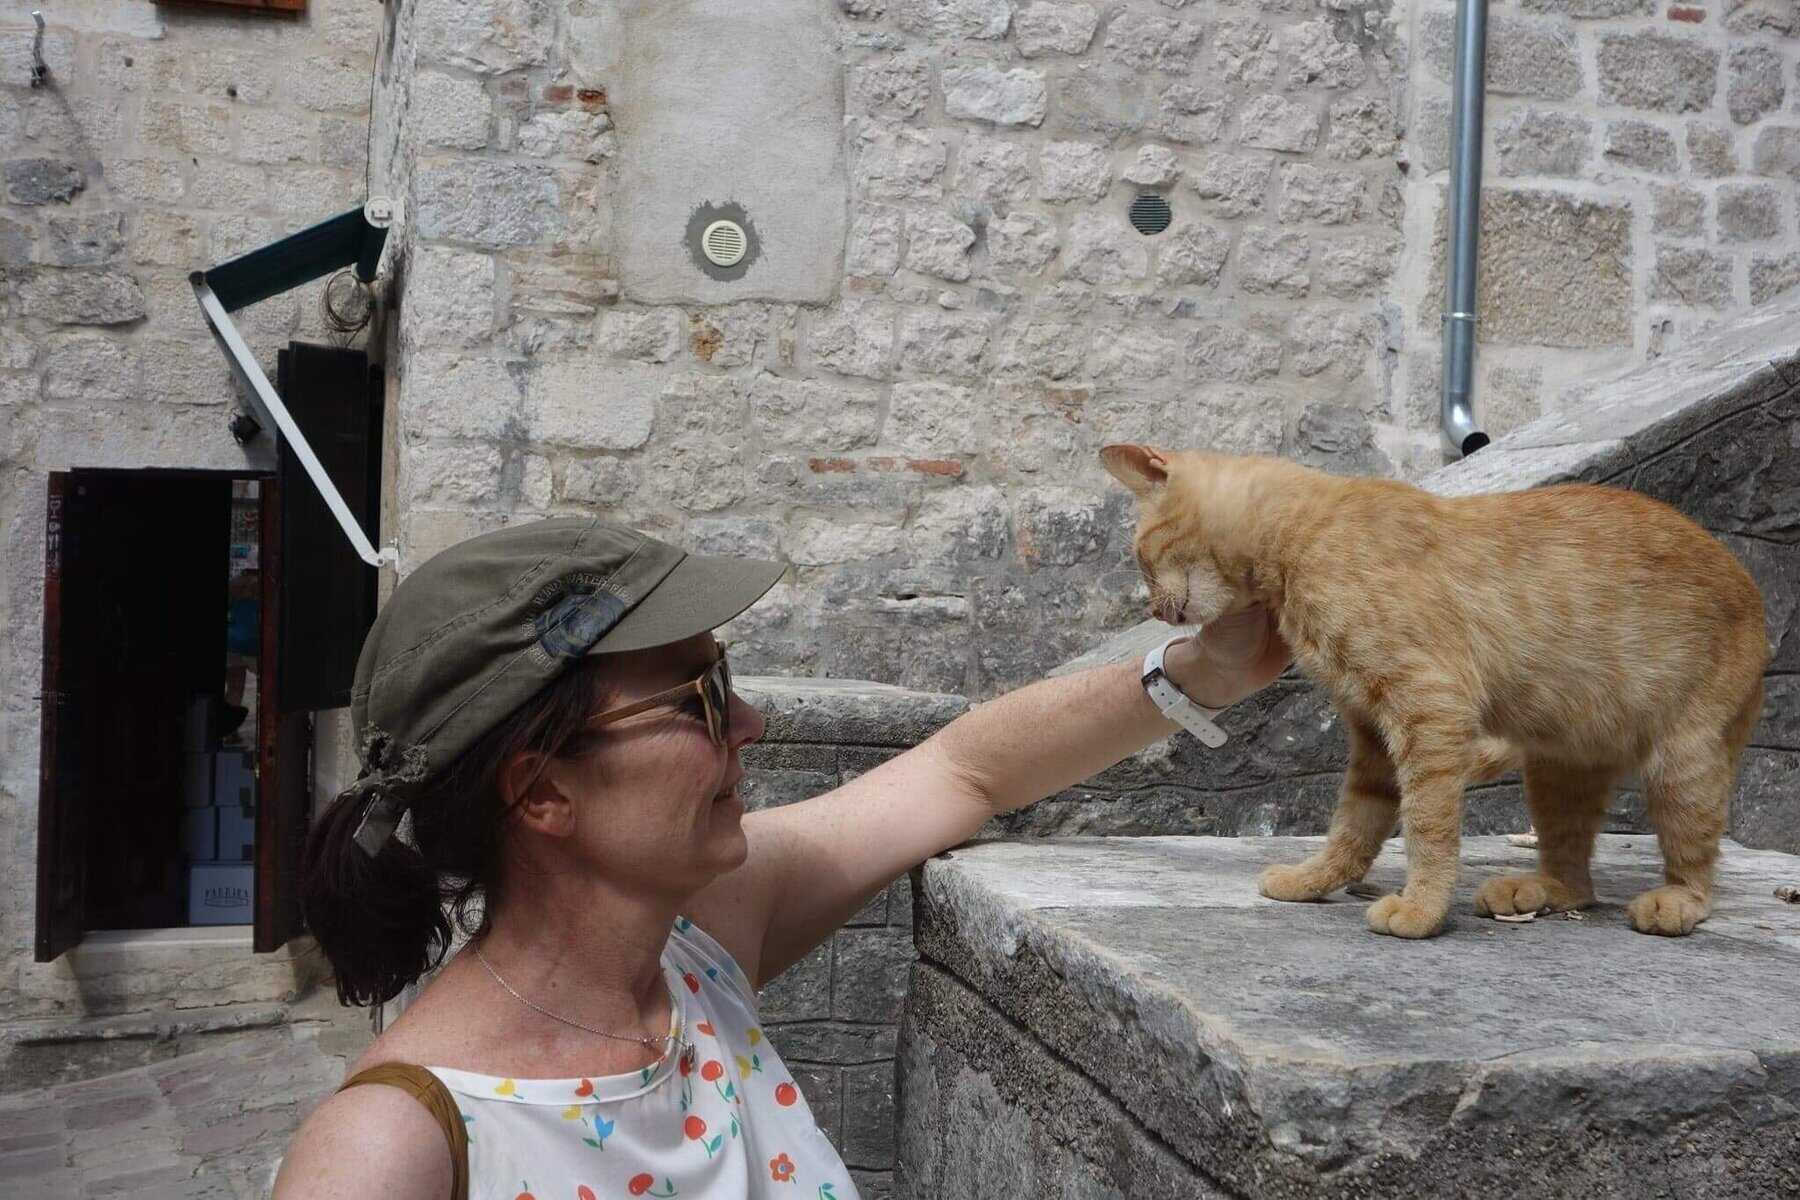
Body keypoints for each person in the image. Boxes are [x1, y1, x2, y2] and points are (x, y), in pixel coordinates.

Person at [275, 517, 1289, 1200]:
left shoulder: (698, 949)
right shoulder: (388, 1149)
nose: (751, 723)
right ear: (541, 790)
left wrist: (1200, 668)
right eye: (699, 701)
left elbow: (963, 772)